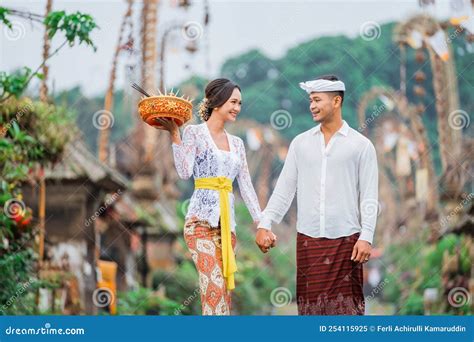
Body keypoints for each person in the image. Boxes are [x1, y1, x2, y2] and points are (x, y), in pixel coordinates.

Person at [256, 75, 379, 315]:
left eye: (317, 100)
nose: (312, 105)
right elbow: (285, 188)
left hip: (347, 242)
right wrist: (265, 222)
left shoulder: (361, 145)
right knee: (311, 311)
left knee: (346, 311)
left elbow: (369, 196)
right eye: (310, 100)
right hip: (308, 240)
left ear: (336, 101)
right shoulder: (300, 144)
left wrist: (367, 236)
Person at [158, 78, 276, 315]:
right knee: (212, 285)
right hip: (199, 223)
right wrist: (174, 134)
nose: (237, 108)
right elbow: (184, 171)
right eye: (233, 102)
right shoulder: (194, 132)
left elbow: (246, 187)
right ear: (217, 101)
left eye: (240, 103)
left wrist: (262, 224)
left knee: (222, 290)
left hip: (226, 228)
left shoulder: (238, 144)